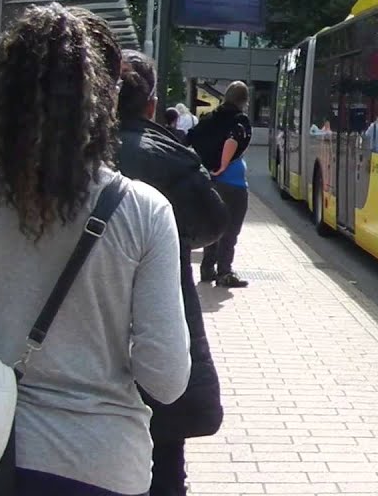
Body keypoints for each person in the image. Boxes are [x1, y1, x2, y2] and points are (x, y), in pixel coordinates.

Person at [0, 4, 190, 495]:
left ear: (0, 94)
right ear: (102, 101)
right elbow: (167, 378)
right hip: (102, 462)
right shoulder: (144, 211)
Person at [116, 50, 228, 496]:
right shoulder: (171, 157)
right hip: (159, 320)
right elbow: (213, 224)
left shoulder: (64, 154)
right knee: (165, 452)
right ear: (151, 104)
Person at [191, 81, 252, 288]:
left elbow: (191, 138)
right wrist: (223, 165)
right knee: (231, 229)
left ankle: (207, 268)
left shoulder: (209, 118)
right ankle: (225, 271)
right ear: (243, 101)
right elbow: (232, 140)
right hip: (232, 183)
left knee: (214, 225)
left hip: (211, 181)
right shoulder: (239, 119)